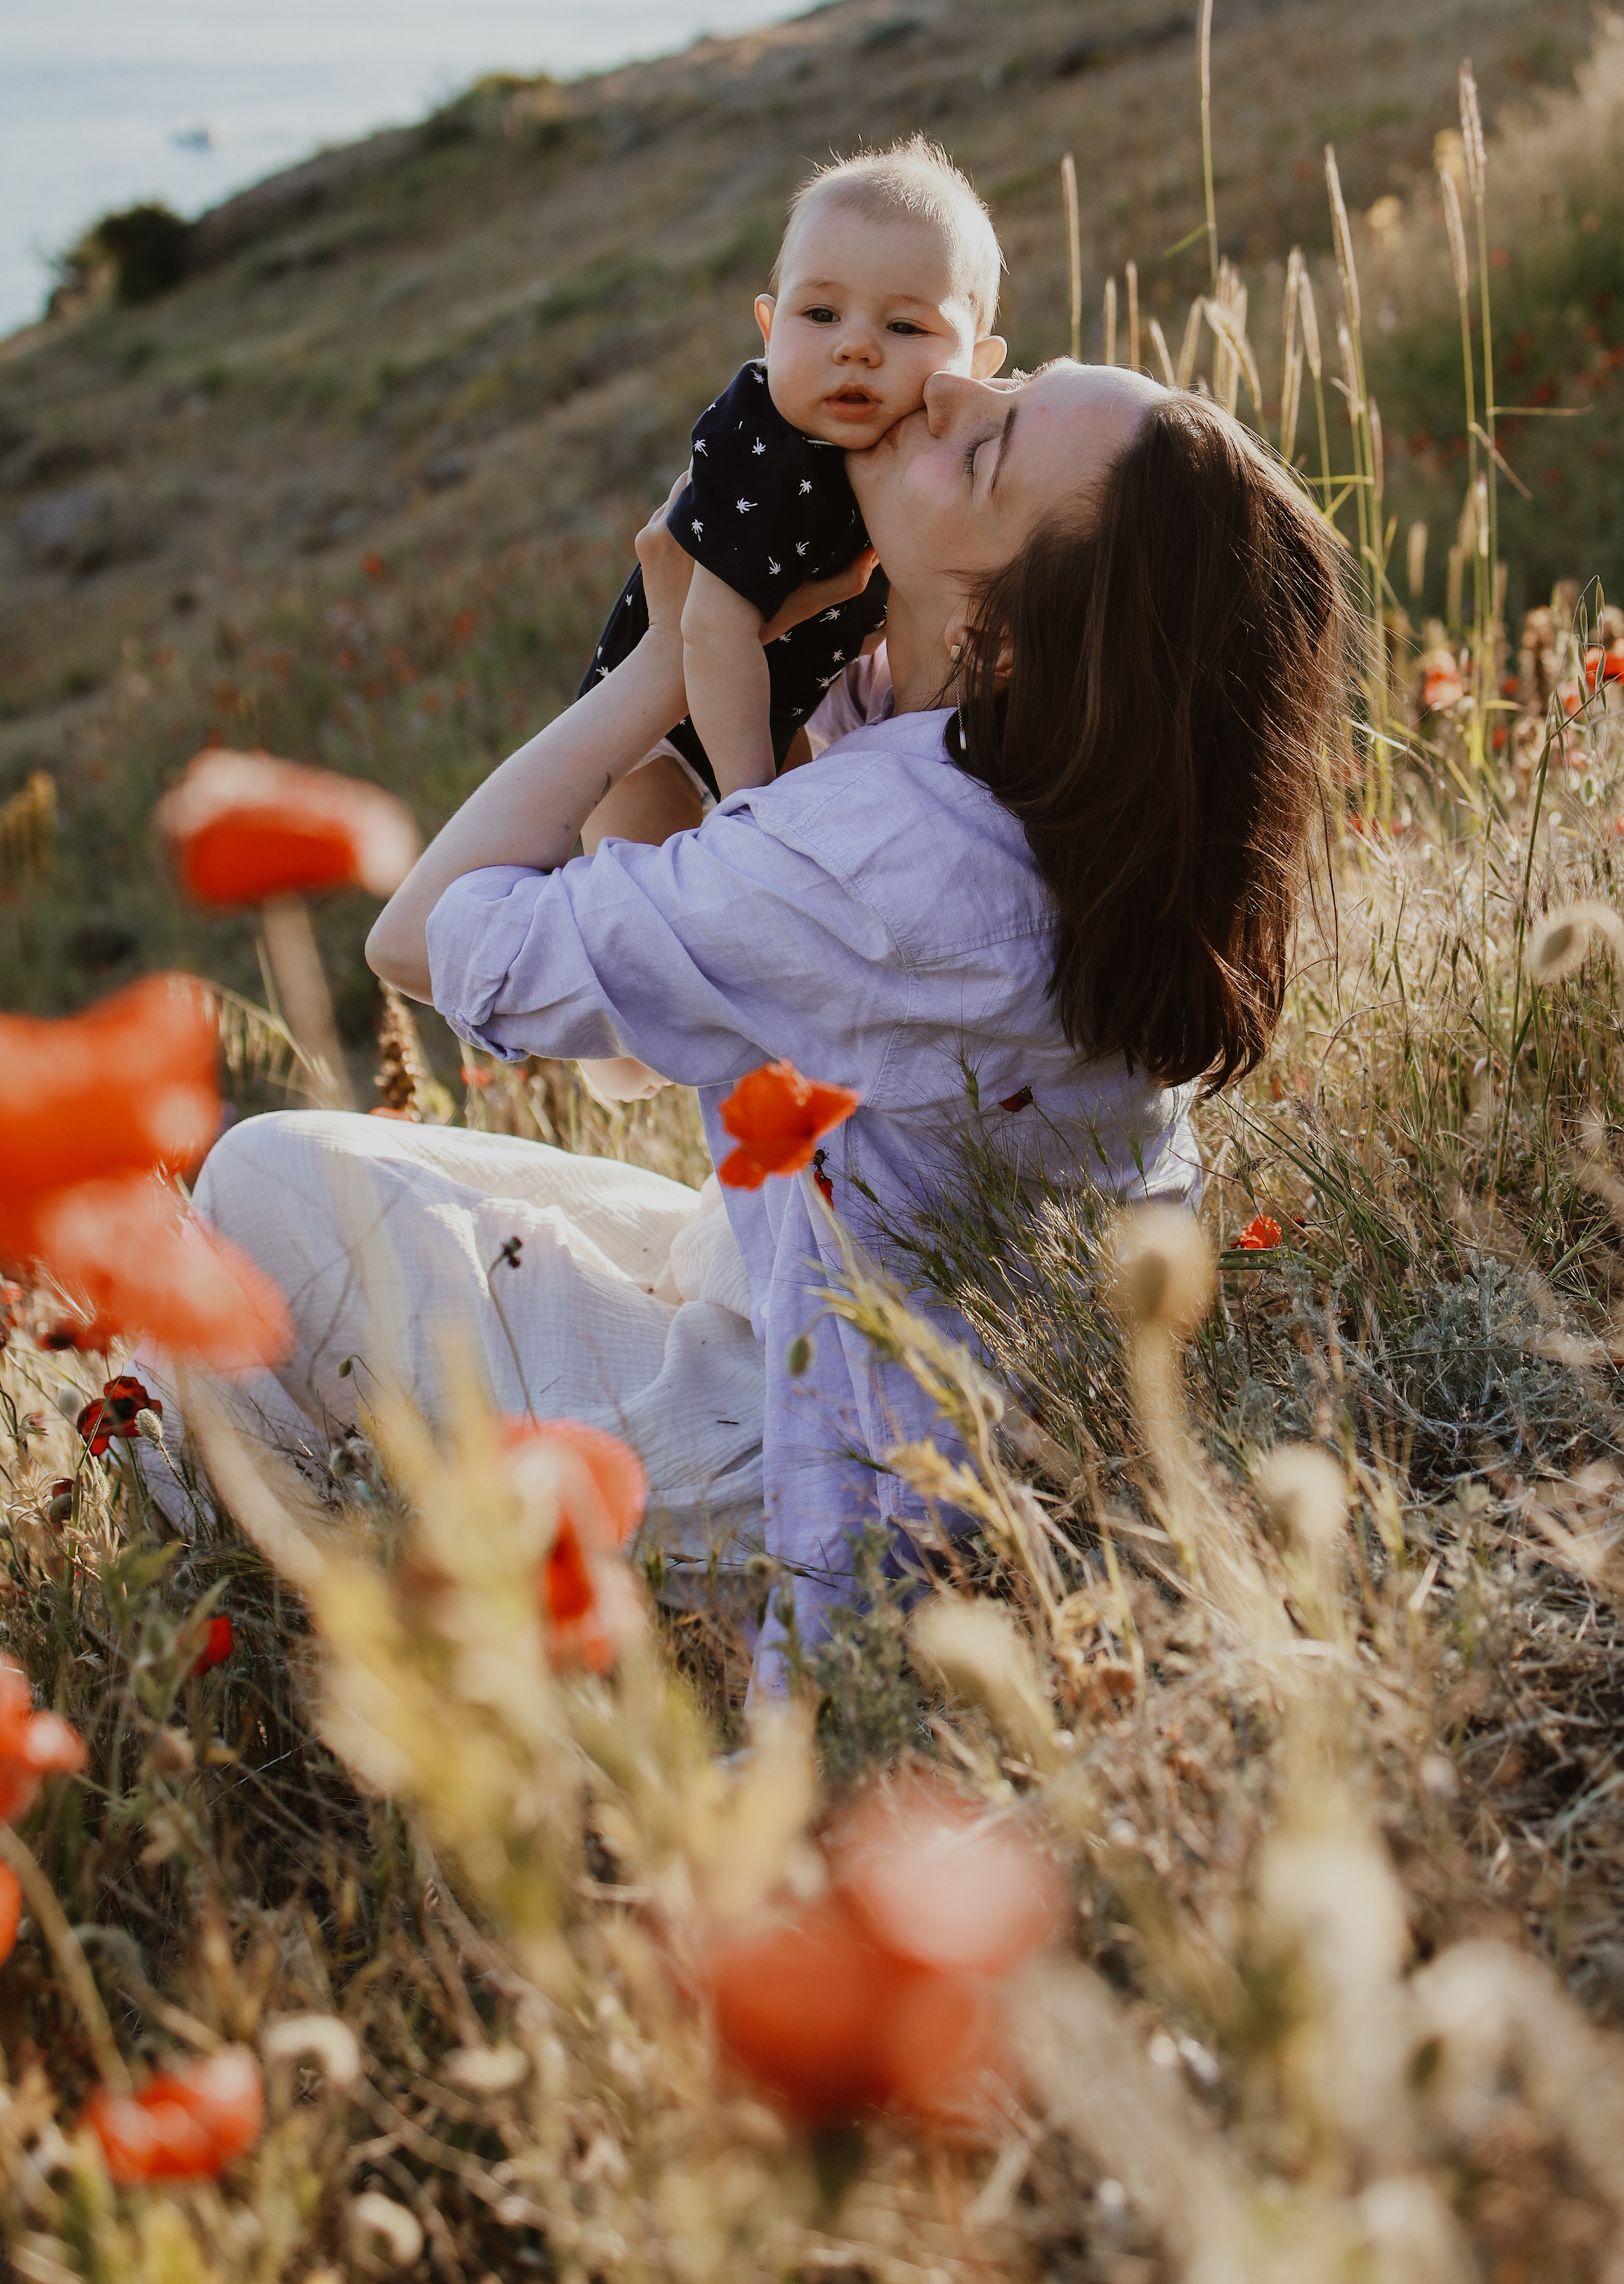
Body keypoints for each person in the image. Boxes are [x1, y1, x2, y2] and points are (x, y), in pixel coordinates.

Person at [150, 362, 1346, 1695]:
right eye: (1008, 375)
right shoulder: (1043, 783)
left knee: (253, 1186)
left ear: (1008, 637)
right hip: (813, 1310)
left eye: (987, 445)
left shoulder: (890, 855)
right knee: (355, 1186)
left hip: (784, 1449)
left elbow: (424, 937)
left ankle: (280, 1619)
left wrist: (659, 668)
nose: (943, 387)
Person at [572, 138, 1006, 834]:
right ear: (770, 330)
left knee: (807, 867)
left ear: (974, 366)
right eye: (821, 315)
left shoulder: (934, 457)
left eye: (903, 325)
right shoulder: (759, 441)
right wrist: (756, 801)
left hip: (778, 708)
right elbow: (712, 630)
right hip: (653, 726)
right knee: (652, 882)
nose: (855, 347)